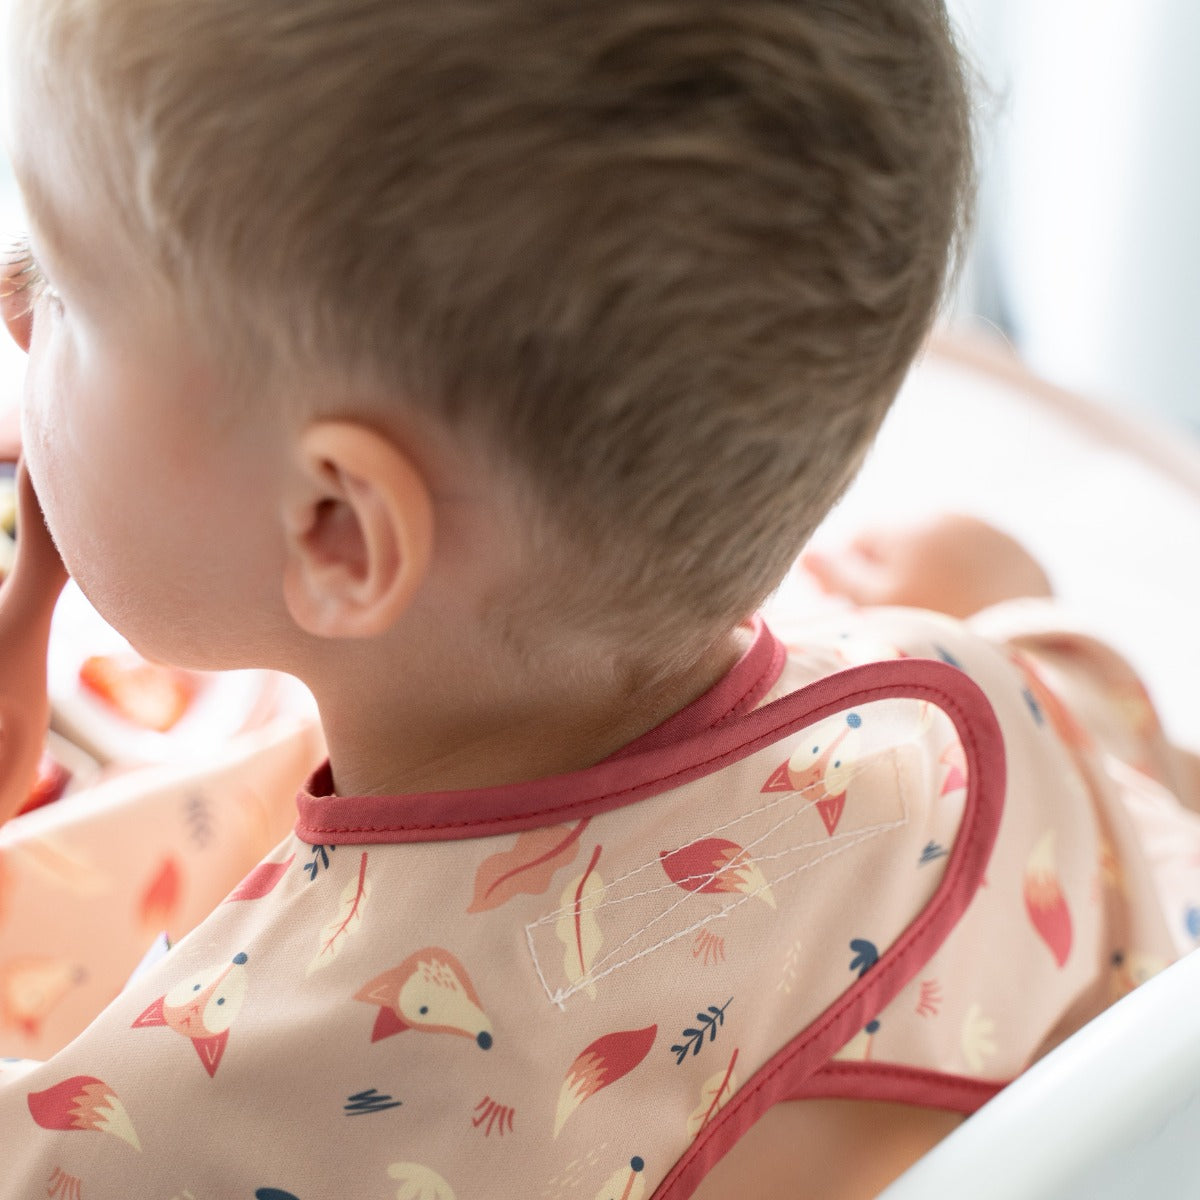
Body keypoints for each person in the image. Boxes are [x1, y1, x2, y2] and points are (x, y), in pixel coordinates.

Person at [0, 2, 1197, 1197]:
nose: (10, 302)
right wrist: (1003, 613)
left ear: (338, 531)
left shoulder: (178, 1127)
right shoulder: (956, 720)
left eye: (61, 285)